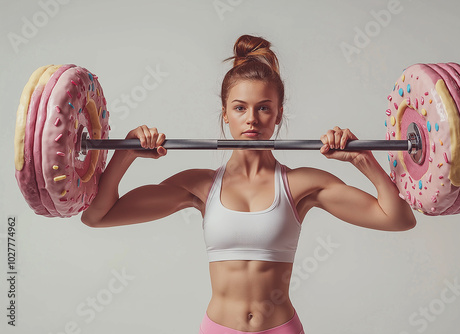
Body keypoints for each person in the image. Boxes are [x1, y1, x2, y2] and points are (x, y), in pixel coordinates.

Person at [81, 34, 416, 334]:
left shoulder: (302, 185)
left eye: (264, 108)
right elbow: (99, 215)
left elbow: (399, 218)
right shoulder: (199, 185)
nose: (252, 119)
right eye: (240, 108)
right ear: (225, 113)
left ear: (279, 114)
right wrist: (126, 153)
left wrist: (364, 161)